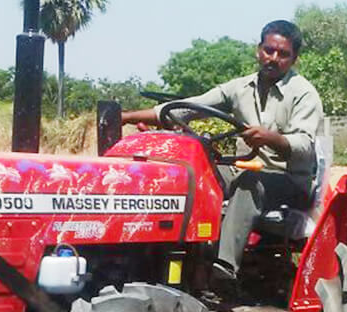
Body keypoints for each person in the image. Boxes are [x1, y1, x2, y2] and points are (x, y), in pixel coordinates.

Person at [121, 19, 325, 280]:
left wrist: (272, 138)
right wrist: (126, 117)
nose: (273, 58)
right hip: (247, 167)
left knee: (250, 183)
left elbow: (304, 146)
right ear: (258, 49)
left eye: (283, 54)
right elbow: (187, 107)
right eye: (268, 50)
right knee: (195, 173)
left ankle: (223, 268)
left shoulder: (303, 94)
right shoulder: (239, 88)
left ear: (294, 59)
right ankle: (175, 251)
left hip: (290, 182)